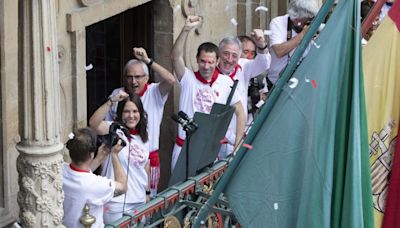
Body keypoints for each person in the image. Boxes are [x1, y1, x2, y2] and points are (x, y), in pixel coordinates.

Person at [170, 15, 246, 169]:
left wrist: (238, 144)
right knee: (178, 191)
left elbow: (240, 112)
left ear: (217, 61)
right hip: (184, 148)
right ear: (197, 60)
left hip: (209, 150)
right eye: (203, 61)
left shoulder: (226, 82)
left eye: (210, 62)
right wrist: (185, 30)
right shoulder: (188, 78)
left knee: (207, 192)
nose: (206, 66)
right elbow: (175, 56)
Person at [105, 47, 175, 197]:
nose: (133, 81)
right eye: (129, 77)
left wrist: (147, 61)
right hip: (122, 158)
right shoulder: (117, 95)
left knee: (148, 200)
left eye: (138, 76)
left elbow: (170, 80)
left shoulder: (155, 92)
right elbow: (107, 128)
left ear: (146, 78)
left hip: (148, 158)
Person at [89, 93, 150, 224]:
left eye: (135, 111)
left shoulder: (144, 137)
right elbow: (94, 124)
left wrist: (147, 193)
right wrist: (112, 100)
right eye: (126, 111)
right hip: (116, 203)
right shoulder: (114, 129)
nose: (131, 115)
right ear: (120, 114)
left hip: (139, 201)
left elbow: (146, 166)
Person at [63, 127, 127, 228]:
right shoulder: (96, 184)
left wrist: (99, 159)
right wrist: (114, 155)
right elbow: (123, 187)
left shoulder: (61, 170)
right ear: (91, 153)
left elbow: (81, 176)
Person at [268, 0, 319, 86]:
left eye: (309, 20)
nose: (305, 24)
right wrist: (302, 34)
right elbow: (279, 51)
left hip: (302, 84)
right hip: (276, 84)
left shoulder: (313, 26)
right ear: (294, 17)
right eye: (304, 20)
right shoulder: (278, 23)